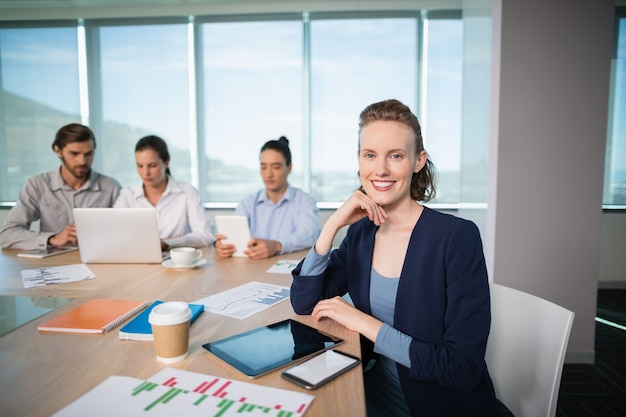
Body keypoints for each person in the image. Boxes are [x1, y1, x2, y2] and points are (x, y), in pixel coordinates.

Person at [290, 99, 498, 417]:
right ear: (359, 161)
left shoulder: (456, 237)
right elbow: (305, 301)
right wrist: (330, 226)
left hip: (434, 403)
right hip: (370, 387)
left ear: (418, 161)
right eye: (370, 155)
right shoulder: (361, 233)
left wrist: (365, 323)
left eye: (396, 155)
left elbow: (461, 368)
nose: (381, 169)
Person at [0, 123, 121, 250]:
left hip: (98, 258)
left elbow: (125, 232)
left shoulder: (111, 187)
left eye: (88, 154)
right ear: (58, 151)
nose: (82, 161)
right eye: (74, 154)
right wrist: (52, 238)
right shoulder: (37, 185)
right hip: (52, 264)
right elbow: (7, 234)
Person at [215, 136, 319, 259]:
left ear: (289, 168)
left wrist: (276, 245)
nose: (268, 174)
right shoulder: (248, 202)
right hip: (252, 267)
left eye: (276, 167)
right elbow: (233, 233)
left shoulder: (305, 201)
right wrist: (222, 244)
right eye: (263, 167)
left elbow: (309, 235)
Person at [114, 135, 213, 250]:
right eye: (140, 166)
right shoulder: (127, 195)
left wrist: (168, 243)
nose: (145, 173)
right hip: (138, 260)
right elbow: (115, 234)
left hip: (176, 261)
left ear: (166, 162)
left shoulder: (187, 192)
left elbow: (205, 235)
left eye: (152, 165)